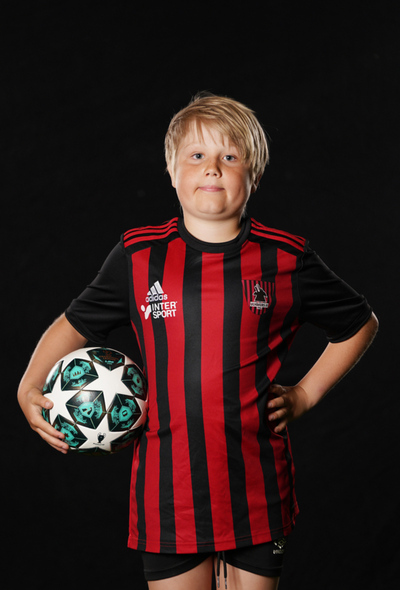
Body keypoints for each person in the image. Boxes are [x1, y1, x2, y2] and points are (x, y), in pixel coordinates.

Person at [18, 92, 378, 590]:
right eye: (196, 155)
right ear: (171, 170)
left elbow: (359, 323)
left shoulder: (286, 259)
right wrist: (28, 386)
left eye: (230, 156)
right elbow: (72, 324)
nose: (212, 168)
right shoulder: (138, 256)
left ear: (254, 173)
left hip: (256, 484)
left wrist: (305, 394)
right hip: (169, 490)